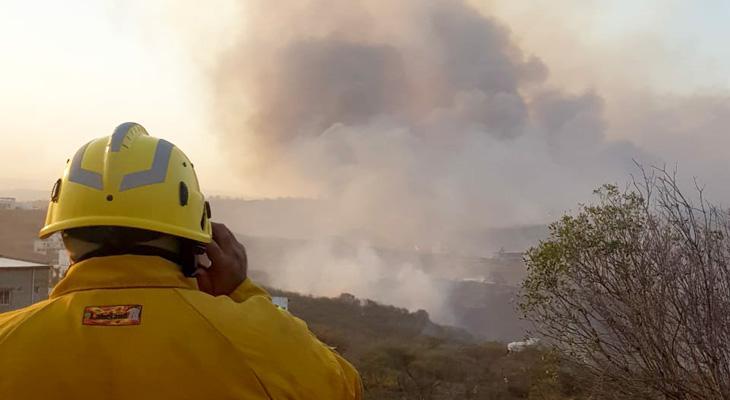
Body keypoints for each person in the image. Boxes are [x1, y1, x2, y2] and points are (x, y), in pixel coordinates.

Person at [0, 122, 362, 399]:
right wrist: (241, 292)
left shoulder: (8, 340)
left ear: (64, 235)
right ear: (195, 243)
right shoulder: (263, 347)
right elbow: (344, 387)